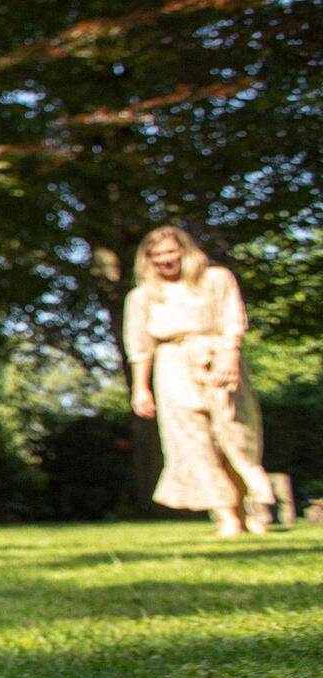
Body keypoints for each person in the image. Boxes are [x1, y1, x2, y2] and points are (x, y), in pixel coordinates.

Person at [123, 225, 276, 537]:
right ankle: (226, 517)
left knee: (235, 435)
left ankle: (249, 508)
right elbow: (139, 346)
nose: (166, 259)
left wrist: (229, 355)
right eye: (158, 255)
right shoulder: (141, 297)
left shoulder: (216, 279)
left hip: (217, 356)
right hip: (171, 366)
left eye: (170, 251)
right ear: (148, 260)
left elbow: (233, 319)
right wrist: (141, 388)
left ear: (184, 251)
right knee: (193, 443)